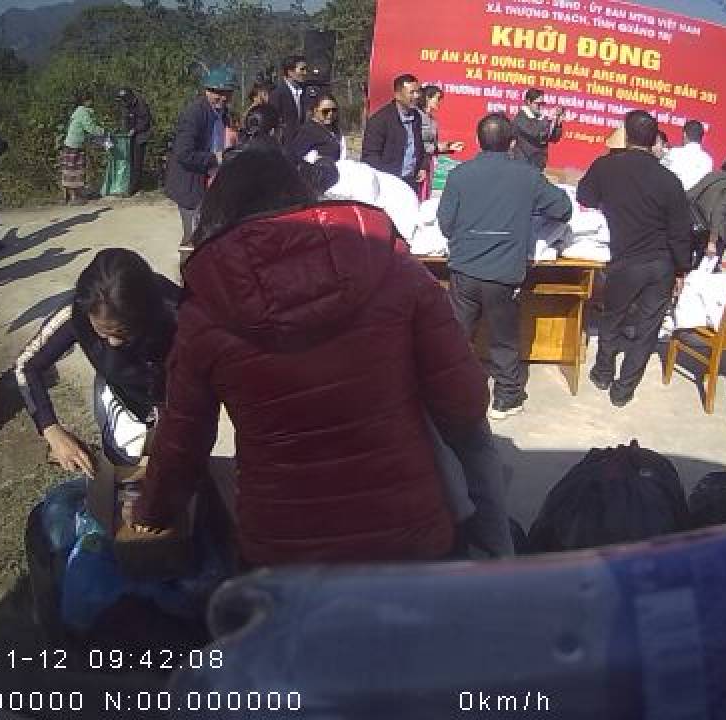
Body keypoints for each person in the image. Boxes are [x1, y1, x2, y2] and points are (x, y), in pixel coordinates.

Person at [132, 146, 490, 566]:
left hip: (283, 547)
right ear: (303, 195)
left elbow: (183, 440)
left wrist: (152, 510)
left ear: (217, 215)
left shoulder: (206, 309)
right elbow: (465, 403)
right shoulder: (395, 269)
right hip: (406, 535)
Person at [437, 113, 573, 419]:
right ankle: (506, 398)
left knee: (457, 337)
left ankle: (451, 396)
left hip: (464, 270)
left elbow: (445, 225)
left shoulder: (459, 175)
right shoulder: (527, 176)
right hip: (503, 275)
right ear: (512, 143)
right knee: (503, 340)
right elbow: (563, 210)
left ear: (477, 141)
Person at [15, 248, 180, 472]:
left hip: (179, 402)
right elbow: (26, 365)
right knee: (122, 473)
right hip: (120, 403)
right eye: (103, 333)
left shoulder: (178, 312)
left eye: (123, 332)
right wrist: (51, 429)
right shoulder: (76, 314)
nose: (113, 343)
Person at [578, 110, 693, 407]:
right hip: (661, 264)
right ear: (655, 140)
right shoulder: (669, 180)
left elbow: (585, 197)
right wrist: (682, 269)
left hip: (625, 261)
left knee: (612, 317)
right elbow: (681, 231)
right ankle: (623, 389)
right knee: (647, 328)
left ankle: (603, 372)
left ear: (626, 136)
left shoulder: (605, 166)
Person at [164, 66, 234, 250]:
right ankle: (187, 266)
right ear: (207, 90)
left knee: (209, 233)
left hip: (210, 181)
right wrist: (215, 158)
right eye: (217, 92)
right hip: (190, 183)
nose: (223, 97)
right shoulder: (194, 114)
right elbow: (183, 153)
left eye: (227, 93)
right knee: (193, 237)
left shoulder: (223, 113)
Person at [361, 74, 427, 189]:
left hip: (410, 181)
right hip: (388, 183)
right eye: (411, 92)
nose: (416, 96)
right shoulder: (380, 120)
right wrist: (387, 180)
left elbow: (419, 145)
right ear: (397, 95)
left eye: (418, 92)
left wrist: (422, 166)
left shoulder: (417, 116)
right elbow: (370, 157)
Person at [687, 158, 726, 266]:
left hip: (691, 221)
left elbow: (690, 194)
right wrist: (712, 241)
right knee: (704, 267)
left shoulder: (712, 174)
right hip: (708, 229)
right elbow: (718, 212)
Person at [416, 85, 465, 199]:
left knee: (424, 197)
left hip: (428, 165)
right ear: (428, 98)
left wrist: (450, 146)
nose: (439, 102)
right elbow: (420, 144)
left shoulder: (432, 120)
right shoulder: (417, 117)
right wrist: (422, 167)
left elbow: (432, 146)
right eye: (437, 99)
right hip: (417, 165)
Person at [61, 93, 107, 206]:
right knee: (75, 171)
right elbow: (90, 128)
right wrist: (103, 131)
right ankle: (74, 197)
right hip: (75, 145)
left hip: (71, 144)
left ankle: (70, 196)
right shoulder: (83, 112)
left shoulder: (78, 111)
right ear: (87, 101)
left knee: (70, 170)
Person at [512, 88, 563, 171]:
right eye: (538, 104)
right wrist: (548, 120)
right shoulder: (520, 118)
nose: (540, 107)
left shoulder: (542, 118)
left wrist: (557, 123)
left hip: (538, 164)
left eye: (542, 103)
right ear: (529, 102)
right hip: (523, 163)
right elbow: (535, 133)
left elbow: (554, 139)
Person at [116, 88, 152, 196]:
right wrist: (124, 130)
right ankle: (130, 185)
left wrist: (135, 130)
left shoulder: (141, 104)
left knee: (137, 163)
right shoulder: (126, 105)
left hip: (140, 137)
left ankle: (134, 188)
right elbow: (125, 119)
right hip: (130, 137)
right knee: (130, 162)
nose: (123, 102)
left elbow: (146, 121)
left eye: (124, 99)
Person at [289, 93, 346, 163]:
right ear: (315, 111)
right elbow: (294, 156)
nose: (330, 114)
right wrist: (315, 159)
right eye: (325, 111)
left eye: (334, 110)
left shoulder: (335, 130)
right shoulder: (307, 131)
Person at [662, 119, 714, 192]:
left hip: (673, 195)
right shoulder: (708, 160)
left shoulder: (674, 153)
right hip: (696, 198)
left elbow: (661, 173)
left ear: (684, 134)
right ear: (702, 138)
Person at [269, 55, 310, 144]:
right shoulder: (277, 94)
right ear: (290, 72)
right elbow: (273, 123)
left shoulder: (306, 93)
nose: (305, 73)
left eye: (306, 69)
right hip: (284, 145)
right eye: (302, 69)